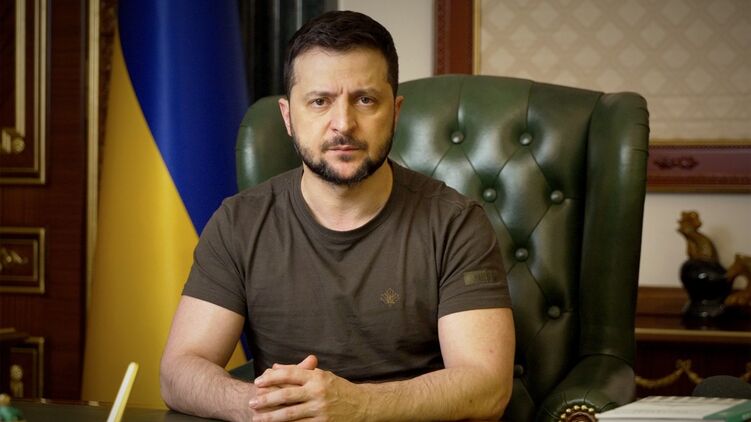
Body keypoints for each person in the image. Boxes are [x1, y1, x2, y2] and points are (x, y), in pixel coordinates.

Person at [160, 10, 514, 422]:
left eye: (365, 100)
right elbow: (179, 371)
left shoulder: (456, 223)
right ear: (288, 117)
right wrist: (261, 406)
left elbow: (487, 387)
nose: (343, 124)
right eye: (319, 101)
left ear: (395, 112)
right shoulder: (238, 222)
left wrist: (358, 406)